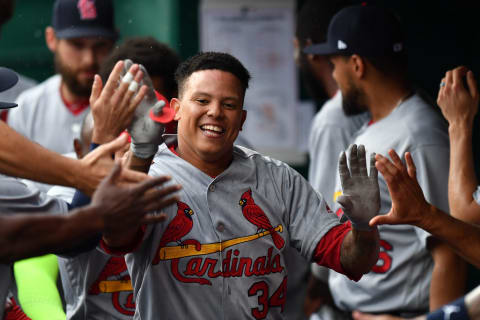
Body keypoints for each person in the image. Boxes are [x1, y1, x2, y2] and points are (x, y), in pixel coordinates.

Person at [95, 51, 382, 319]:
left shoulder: (278, 179)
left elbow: (353, 261)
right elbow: (116, 237)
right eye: (202, 101)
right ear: (177, 109)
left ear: (241, 119)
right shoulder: (146, 174)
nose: (215, 112)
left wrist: (364, 228)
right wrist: (142, 152)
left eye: (229, 104)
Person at [303, 4, 465, 317]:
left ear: (356, 65)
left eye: (335, 64)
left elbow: (450, 252)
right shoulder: (381, 123)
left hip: (401, 313)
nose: (334, 75)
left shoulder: (419, 134)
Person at [295, 1, 370, 317]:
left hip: (354, 286)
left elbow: (324, 220)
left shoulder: (334, 117)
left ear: (311, 49)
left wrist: (316, 286)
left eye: (296, 47)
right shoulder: (383, 103)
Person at [8, 0, 117, 154]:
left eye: (100, 45)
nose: (89, 59)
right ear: (51, 39)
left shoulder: (125, 106)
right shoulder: (27, 107)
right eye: (77, 45)